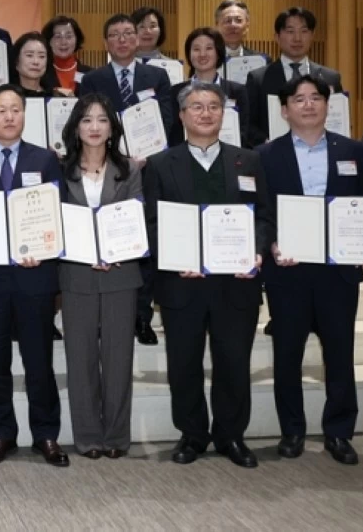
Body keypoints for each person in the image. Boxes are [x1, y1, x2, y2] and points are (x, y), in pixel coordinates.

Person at [142, 82, 273, 468]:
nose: (205, 113)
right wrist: (172, 256)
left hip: (237, 282)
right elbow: (151, 222)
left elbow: (264, 216)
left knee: (233, 361)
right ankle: (193, 434)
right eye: (196, 106)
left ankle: (231, 435)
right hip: (182, 282)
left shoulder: (248, 161)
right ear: (182, 116)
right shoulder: (161, 163)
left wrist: (257, 250)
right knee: (184, 363)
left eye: (213, 106)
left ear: (223, 114)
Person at [258, 74, 363, 466]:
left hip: (338, 270)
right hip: (288, 270)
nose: (308, 105)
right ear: (284, 110)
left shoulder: (353, 151)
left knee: (340, 354)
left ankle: (340, 432)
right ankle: (292, 431)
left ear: (328, 105)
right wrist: (272, 244)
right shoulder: (265, 155)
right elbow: (262, 212)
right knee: (288, 355)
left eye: (315, 98)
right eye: (299, 99)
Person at [0, 84, 68, 468]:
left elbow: (58, 214)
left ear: (25, 114)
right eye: (0, 110)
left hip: (35, 277)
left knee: (39, 359)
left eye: (15, 110)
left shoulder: (46, 159)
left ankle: (47, 434)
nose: (8, 117)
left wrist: (47, 246)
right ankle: (2, 433)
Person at [79, 13, 175, 347]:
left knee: (142, 243)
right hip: (104, 169)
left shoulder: (158, 76)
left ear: (137, 39)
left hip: (149, 170)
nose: (122, 40)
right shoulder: (93, 78)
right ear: (106, 42)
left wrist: (145, 155)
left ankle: (142, 318)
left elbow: (165, 120)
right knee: (107, 239)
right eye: (115, 35)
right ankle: (108, 316)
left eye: (128, 33)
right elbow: (87, 122)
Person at [57, 94, 143, 459]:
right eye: (87, 120)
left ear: (113, 128)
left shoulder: (131, 169)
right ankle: (89, 436)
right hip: (75, 274)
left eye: (102, 120)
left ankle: (116, 437)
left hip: (120, 274)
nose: (94, 127)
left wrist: (114, 251)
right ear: (76, 127)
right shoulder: (60, 169)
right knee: (80, 359)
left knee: (119, 358)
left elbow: (136, 219)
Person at [244, 7, 343, 147]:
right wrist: (268, 144)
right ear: (277, 37)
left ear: (312, 35)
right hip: (274, 156)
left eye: (304, 31)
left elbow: (337, 119)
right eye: (290, 31)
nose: (297, 38)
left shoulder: (330, 78)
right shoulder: (258, 78)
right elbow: (248, 124)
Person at [170, 28, 251, 147]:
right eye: (196, 49)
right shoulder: (175, 92)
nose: (202, 54)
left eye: (209, 48)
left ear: (218, 53)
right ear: (189, 54)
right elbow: (173, 133)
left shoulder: (237, 91)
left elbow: (244, 131)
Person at [43, 15, 94, 93]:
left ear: (77, 40)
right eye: (58, 37)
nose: (63, 42)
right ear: (49, 41)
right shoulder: (41, 73)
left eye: (69, 37)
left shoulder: (90, 74)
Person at [9, 32, 64, 98]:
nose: (36, 61)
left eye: (41, 56)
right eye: (29, 55)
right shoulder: (7, 96)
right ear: (16, 61)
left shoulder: (56, 97)